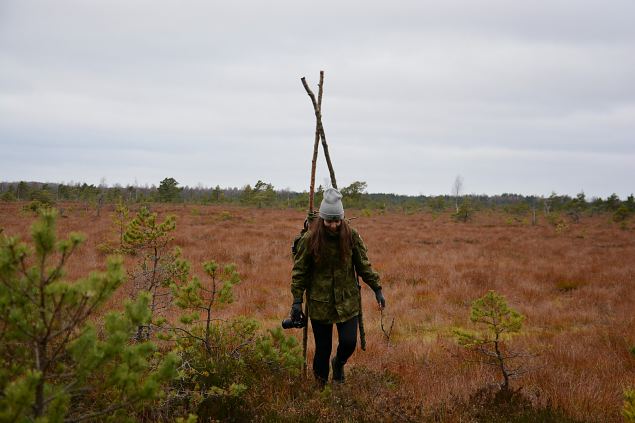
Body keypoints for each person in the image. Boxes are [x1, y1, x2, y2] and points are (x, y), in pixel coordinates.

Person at [290, 187, 385, 385]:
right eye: (328, 221)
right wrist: (297, 301)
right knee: (322, 350)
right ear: (322, 219)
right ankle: (320, 390)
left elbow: (363, 265)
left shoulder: (351, 236)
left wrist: (377, 288)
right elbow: (299, 272)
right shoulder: (310, 239)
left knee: (349, 343)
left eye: (336, 220)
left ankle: (339, 363)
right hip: (320, 304)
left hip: (347, 302)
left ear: (342, 218)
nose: (333, 225)